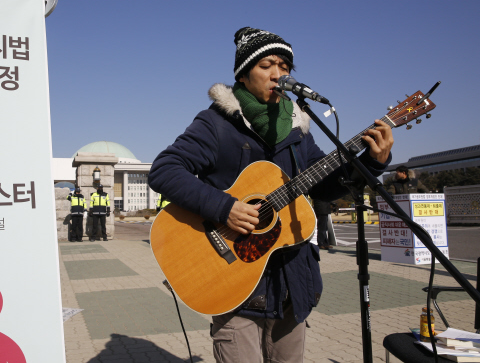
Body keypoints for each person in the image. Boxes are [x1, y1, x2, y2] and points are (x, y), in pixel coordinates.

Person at [148, 27, 394, 362]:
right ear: (244, 74)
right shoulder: (216, 124)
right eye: (267, 65)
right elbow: (164, 169)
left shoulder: (297, 127)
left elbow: (324, 186)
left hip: (292, 285)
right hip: (233, 283)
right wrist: (225, 207)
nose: (279, 73)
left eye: (285, 66)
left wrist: (372, 164)